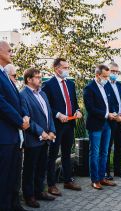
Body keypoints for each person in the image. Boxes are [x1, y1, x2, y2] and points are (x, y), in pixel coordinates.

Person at [0, 41, 29, 211]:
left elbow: (16, 101)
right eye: (8, 49)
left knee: (9, 179)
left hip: (11, 135)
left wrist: (24, 117)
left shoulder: (4, 74)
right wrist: (19, 120)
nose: (11, 52)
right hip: (4, 135)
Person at [43, 58, 82, 196]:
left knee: (67, 153)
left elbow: (75, 103)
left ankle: (68, 180)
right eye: (64, 67)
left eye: (68, 67)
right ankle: (51, 185)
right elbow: (46, 106)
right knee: (53, 155)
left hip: (70, 124)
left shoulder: (70, 84)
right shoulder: (48, 85)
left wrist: (77, 111)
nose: (67, 70)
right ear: (56, 68)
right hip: (56, 125)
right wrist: (58, 114)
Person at [21, 68, 57, 208]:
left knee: (42, 167)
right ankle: (29, 196)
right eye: (37, 77)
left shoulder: (42, 93)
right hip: (33, 138)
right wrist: (41, 132)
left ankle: (39, 191)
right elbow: (27, 118)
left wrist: (52, 130)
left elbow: (49, 113)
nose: (40, 79)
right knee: (30, 168)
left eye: (40, 77)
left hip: (46, 137)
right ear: (29, 79)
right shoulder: (23, 95)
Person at [4, 64, 33, 211]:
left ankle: (14, 206)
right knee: (6, 179)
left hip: (18, 138)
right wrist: (20, 121)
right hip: (9, 135)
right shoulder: (5, 85)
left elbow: (21, 106)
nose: (16, 79)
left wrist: (26, 116)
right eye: (14, 76)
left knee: (15, 176)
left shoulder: (13, 87)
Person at [83, 64, 117, 190]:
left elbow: (109, 103)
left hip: (107, 124)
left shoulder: (106, 86)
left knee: (105, 152)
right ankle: (95, 179)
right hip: (96, 125)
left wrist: (113, 113)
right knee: (95, 153)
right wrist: (107, 114)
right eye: (104, 76)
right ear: (97, 75)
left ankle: (102, 177)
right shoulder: (89, 88)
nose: (107, 79)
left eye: (107, 77)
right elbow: (91, 108)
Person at [104, 62, 121, 180]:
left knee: (120, 146)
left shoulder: (119, 85)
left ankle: (118, 170)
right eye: (112, 71)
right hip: (111, 121)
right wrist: (116, 116)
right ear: (107, 71)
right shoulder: (104, 85)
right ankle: (106, 172)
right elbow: (107, 104)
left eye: (116, 72)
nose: (114, 73)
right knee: (108, 147)